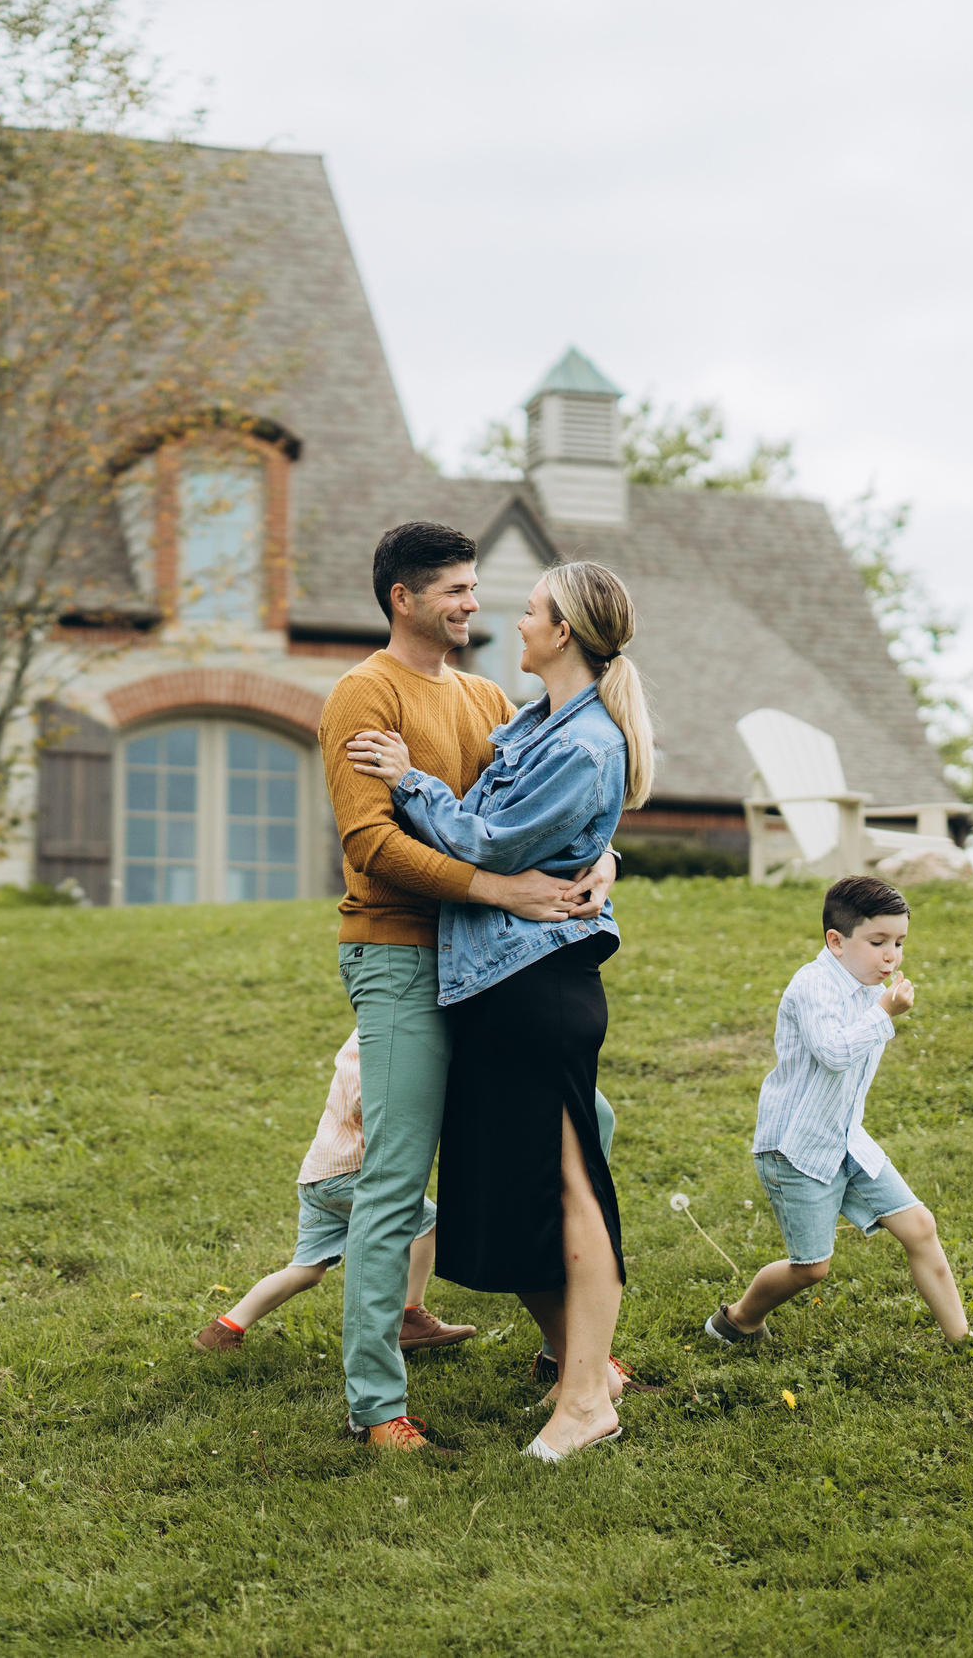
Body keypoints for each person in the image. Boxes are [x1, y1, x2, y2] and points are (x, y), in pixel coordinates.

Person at [317, 522, 619, 1455]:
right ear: (403, 598)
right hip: (403, 953)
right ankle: (378, 1404)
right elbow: (374, 845)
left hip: (492, 963)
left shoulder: (489, 695)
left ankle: (571, 1357)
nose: (473, 604)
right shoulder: (363, 694)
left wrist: (605, 855)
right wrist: (500, 889)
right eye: (454, 589)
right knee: (397, 1178)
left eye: (478, 587)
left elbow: (537, 813)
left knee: (583, 1130)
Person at [704, 875, 973, 1368]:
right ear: (835, 942)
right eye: (878, 942)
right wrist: (884, 1011)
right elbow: (834, 1053)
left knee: (920, 1226)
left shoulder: (868, 985)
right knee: (811, 1269)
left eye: (899, 943)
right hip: (795, 1148)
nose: (892, 957)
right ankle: (736, 1320)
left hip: (846, 1140)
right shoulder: (813, 984)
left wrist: (880, 1004)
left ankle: (962, 1340)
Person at [192, 1030, 479, 1355]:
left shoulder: (368, 1031)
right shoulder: (385, 1035)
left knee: (307, 1271)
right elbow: (369, 1098)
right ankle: (409, 1316)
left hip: (319, 1175)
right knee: (426, 1223)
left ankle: (223, 1330)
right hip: (348, 1173)